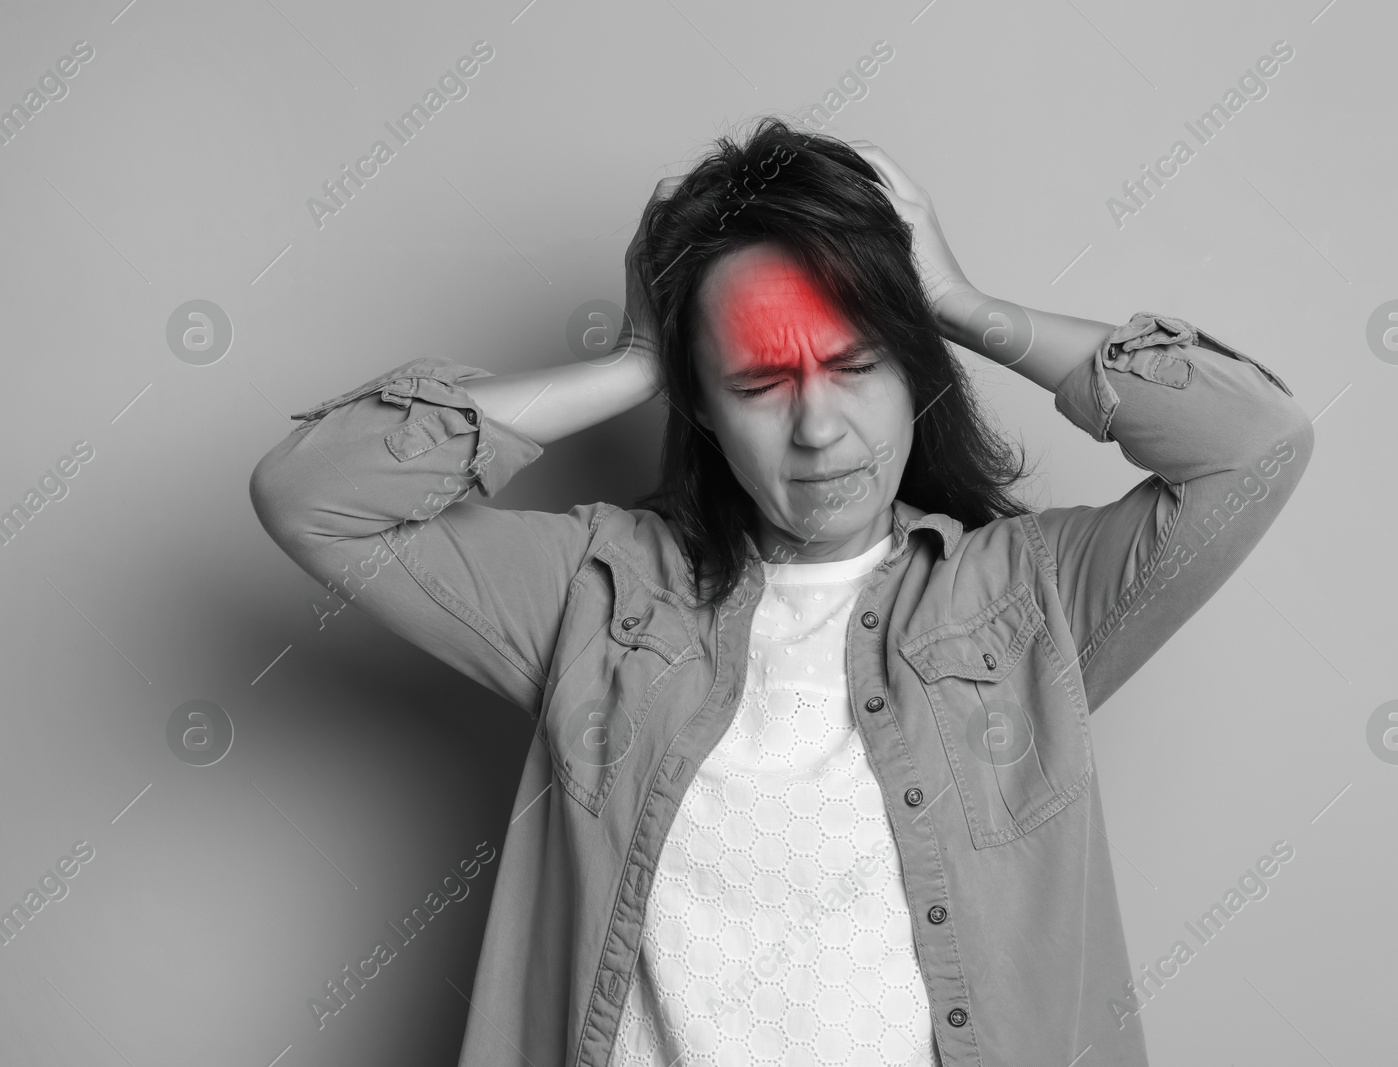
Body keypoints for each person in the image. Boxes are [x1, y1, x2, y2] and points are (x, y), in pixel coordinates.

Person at [250, 116, 1313, 1067]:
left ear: (915, 370)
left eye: (857, 365)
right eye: (759, 382)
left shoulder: (1028, 601)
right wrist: (632, 361)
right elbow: (315, 495)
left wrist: (960, 304)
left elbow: (1252, 441)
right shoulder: (590, 592)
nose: (817, 428)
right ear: (702, 406)